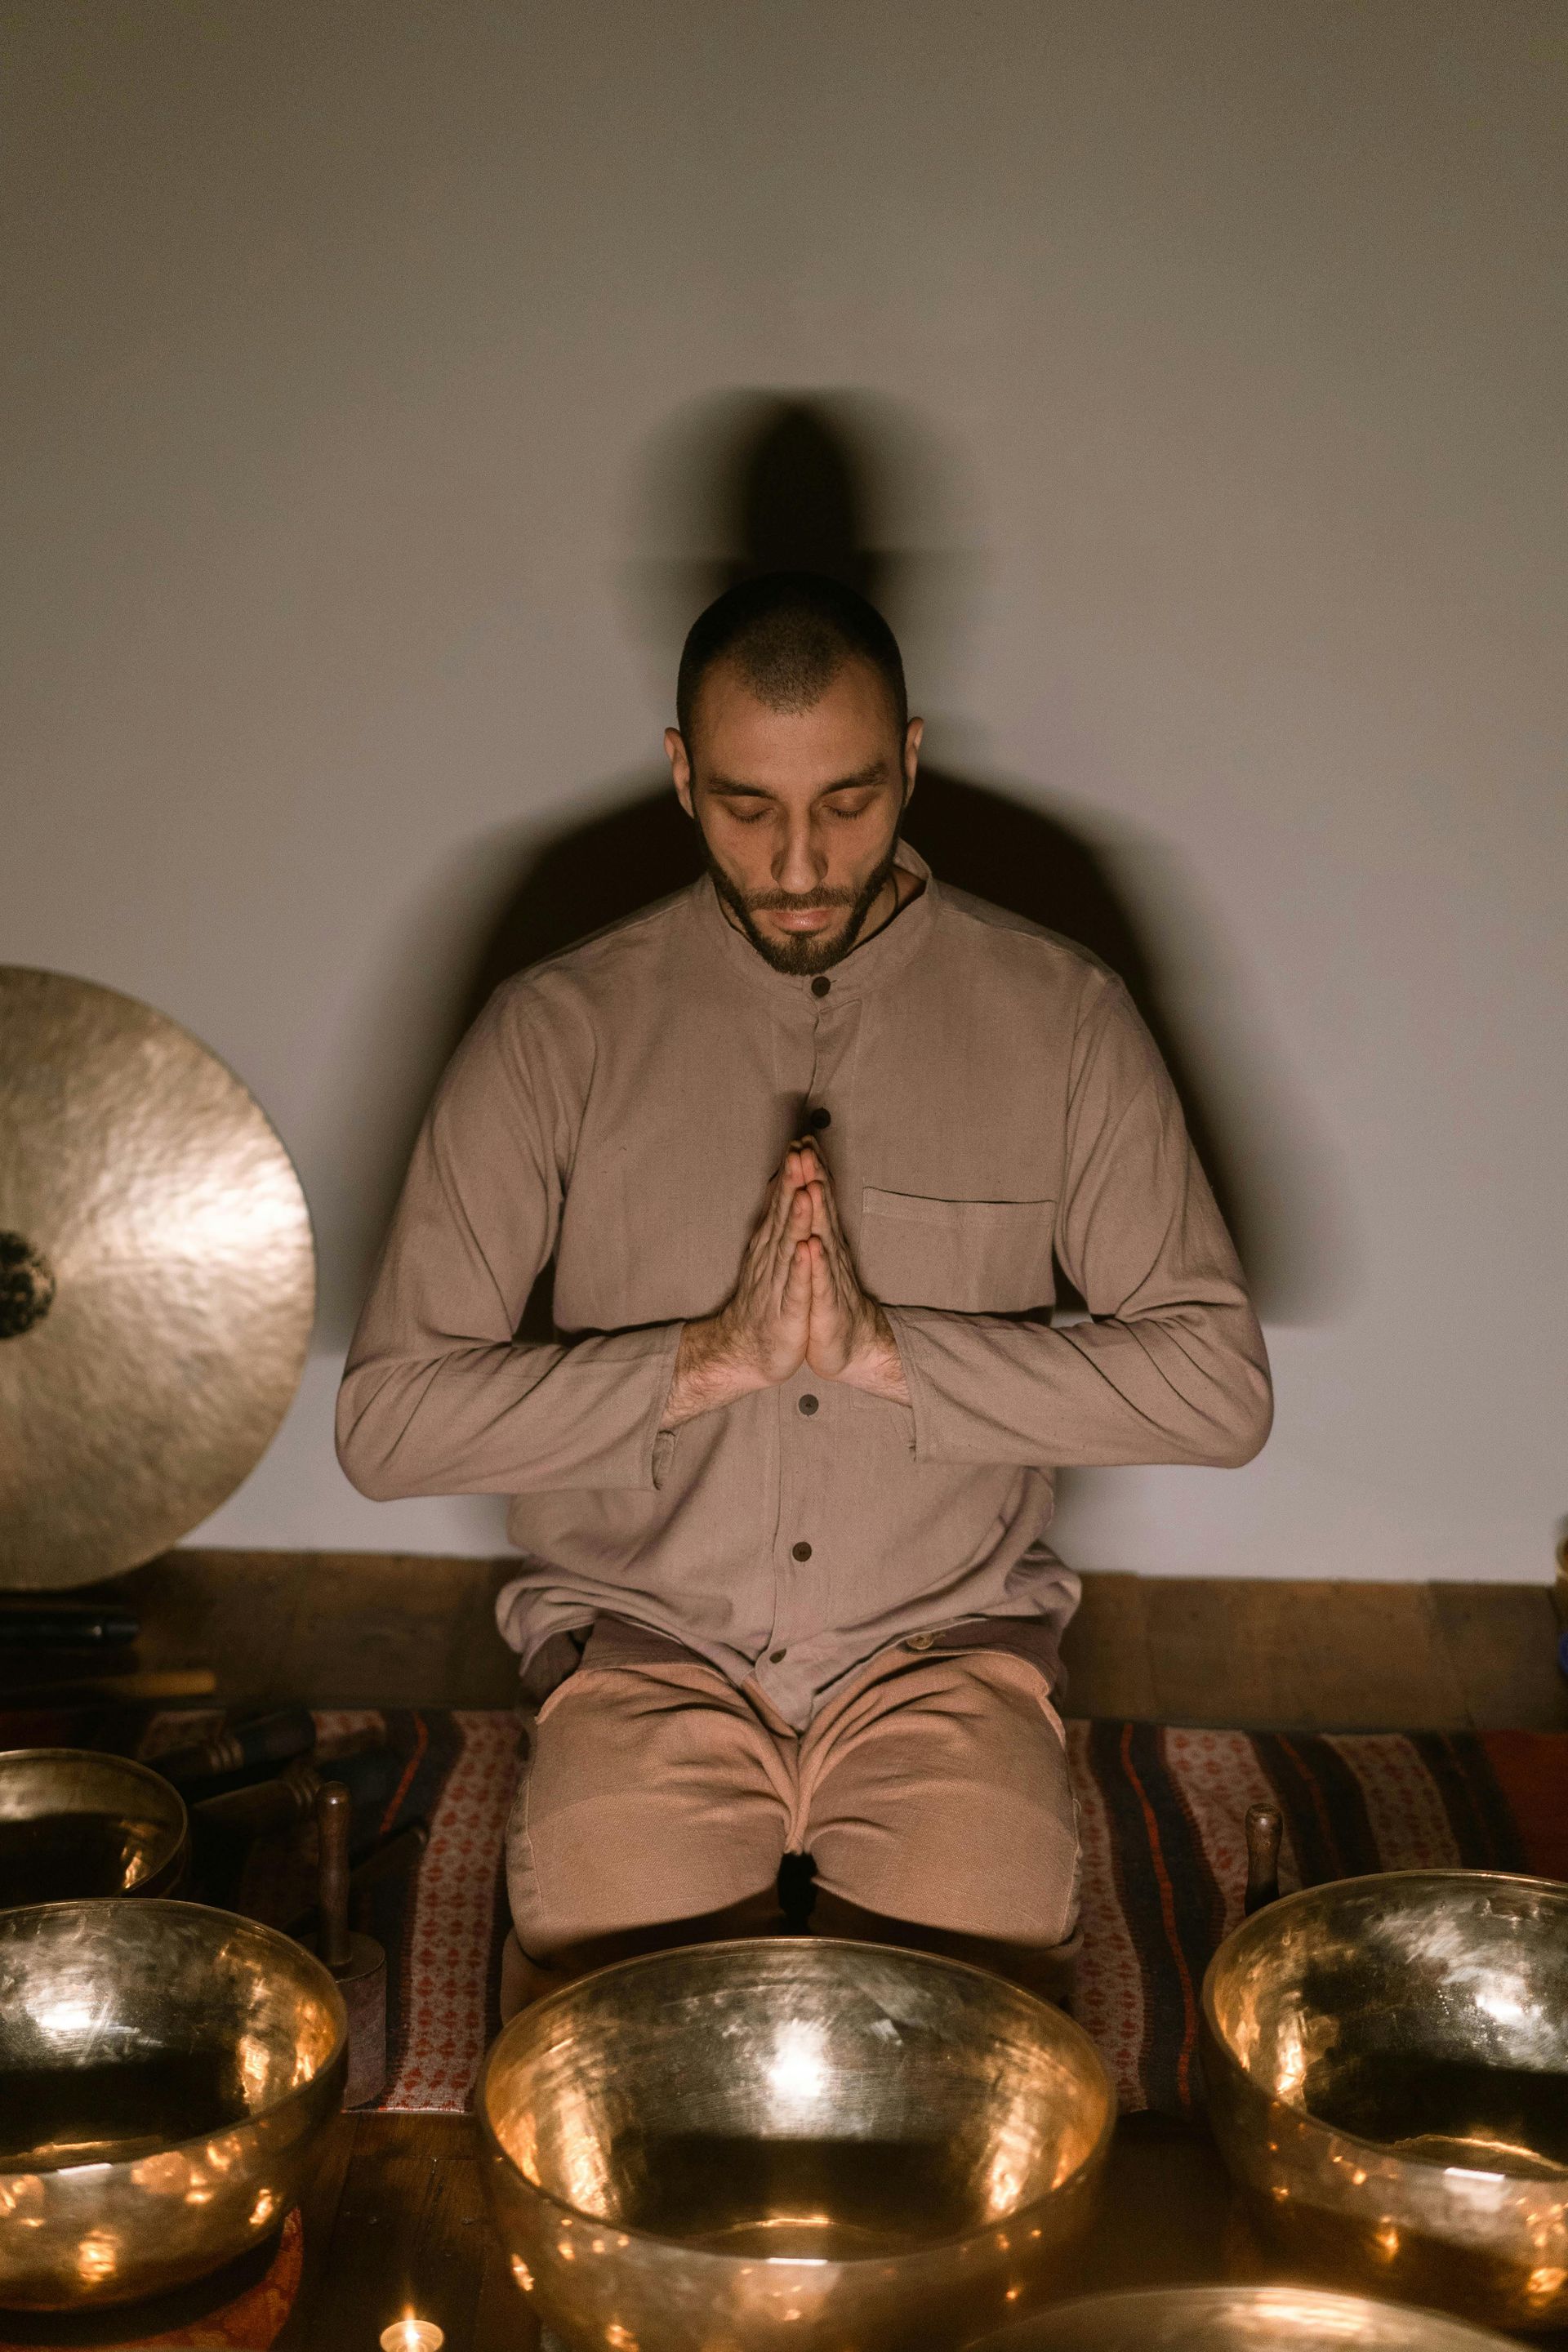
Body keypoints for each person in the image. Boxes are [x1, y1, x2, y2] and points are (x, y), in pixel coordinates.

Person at [336, 572, 1272, 2011]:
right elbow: (386, 1427)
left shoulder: (1064, 1015)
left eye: (845, 801)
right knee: (606, 2043)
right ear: (679, 774)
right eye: (746, 808)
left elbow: (1220, 1392)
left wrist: (895, 1355)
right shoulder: (551, 1030)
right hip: (653, 1643)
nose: (798, 864)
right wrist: (702, 1362)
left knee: (978, 2045)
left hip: (942, 1641)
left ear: (908, 756)